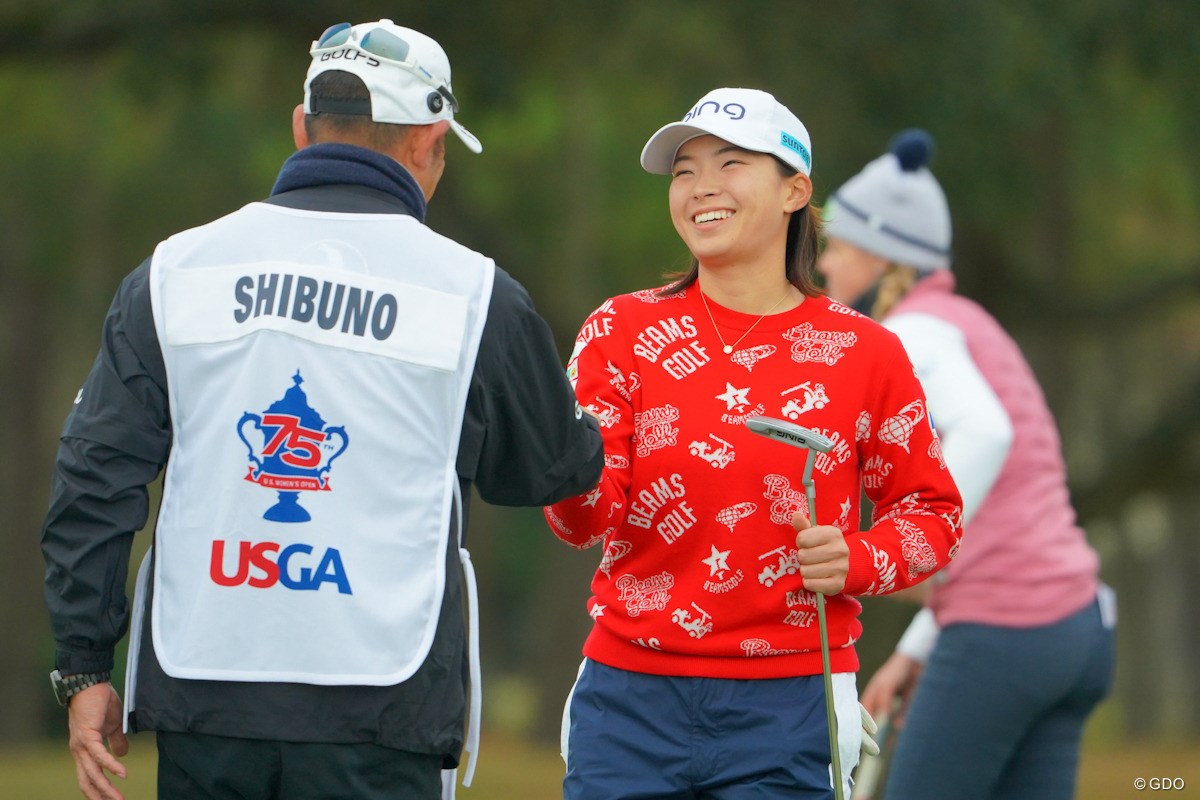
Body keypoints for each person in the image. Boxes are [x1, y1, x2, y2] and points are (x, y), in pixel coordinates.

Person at [40, 19, 604, 800]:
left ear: (302, 127)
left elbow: (94, 474)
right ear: (428, 142)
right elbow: (547, 471)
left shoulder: (173, 272)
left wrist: (83, 664)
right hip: (383, 695)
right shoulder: (475, 294)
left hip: (208, 686)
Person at [543, 88, 963, 800]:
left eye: (730, 163)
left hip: (791, 702)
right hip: (628, 701)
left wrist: (857, 556)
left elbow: (935, 519)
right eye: (684, 171)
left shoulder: (866, 352)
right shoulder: (619, 332)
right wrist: (555, 465)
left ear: (796, 189)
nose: (702, 187)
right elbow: (582, 522)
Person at [820, 130, 1116, 799]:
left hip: (1005, 633)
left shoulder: (912, 334)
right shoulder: (968, 322)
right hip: (1073, 631)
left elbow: (987, 434)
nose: (826, 269)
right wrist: (919, 646)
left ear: (879, 255)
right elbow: (1008, 523)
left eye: (836, 247)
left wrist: (908, 547)